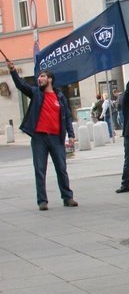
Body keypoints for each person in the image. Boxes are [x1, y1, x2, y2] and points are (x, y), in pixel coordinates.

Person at [7, 59, 78, 210]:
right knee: (40, 170)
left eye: (42, 77)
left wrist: (71, 135)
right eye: (38, 77)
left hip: (56, 138)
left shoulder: (60, 97)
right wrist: (13, 71)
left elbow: (67, 116)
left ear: (50, 79)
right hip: (39, 137)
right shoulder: (36, 93)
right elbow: (21, 85)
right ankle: (42, 201)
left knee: (61, 168)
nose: (39, 79)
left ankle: (68, 197)